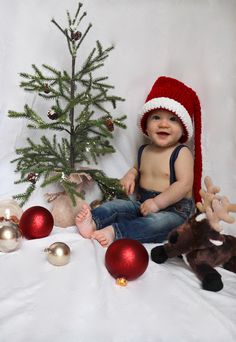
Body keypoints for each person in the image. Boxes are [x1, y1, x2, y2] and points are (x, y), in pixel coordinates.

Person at [75, 76, 202, 247]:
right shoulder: (145, 150)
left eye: (173, 119)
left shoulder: (181, 152)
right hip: (143, 204)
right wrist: (130, 176)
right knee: (117, 206)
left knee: (155, 224)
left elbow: (184, 184)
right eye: (156, 117)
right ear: (146, 125)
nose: (164, 124)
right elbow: (137, 168)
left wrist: (157, 203)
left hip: (175, 211)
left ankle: (116, 232)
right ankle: (93, 221)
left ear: (184, 128)